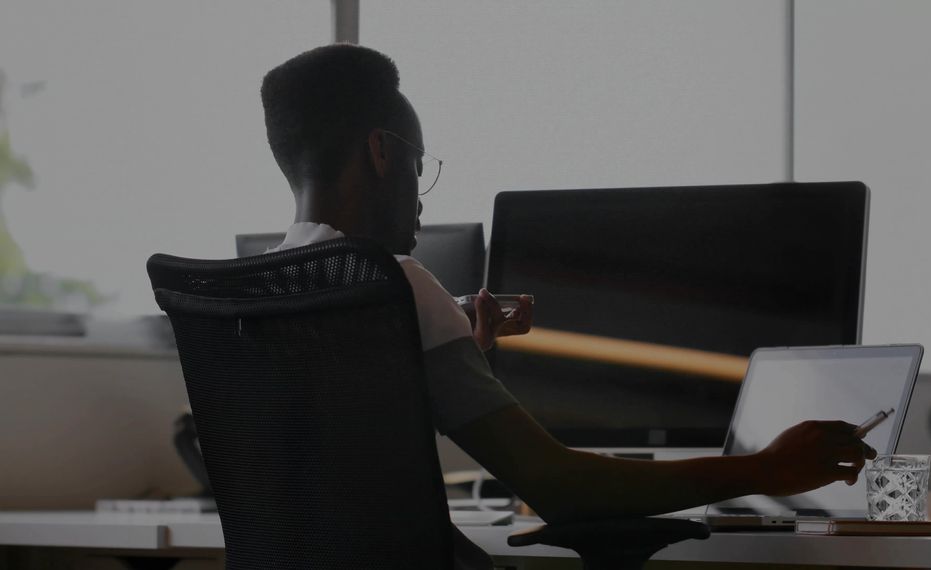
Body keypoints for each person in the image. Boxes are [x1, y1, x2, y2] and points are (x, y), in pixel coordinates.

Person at [259, 44, 875, 569]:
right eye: (419, 166)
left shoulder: (262, 293)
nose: (419, 197)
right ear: (382, 152)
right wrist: (765, 470)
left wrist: (459, 355)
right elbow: (561, 488)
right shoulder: (398, 286)